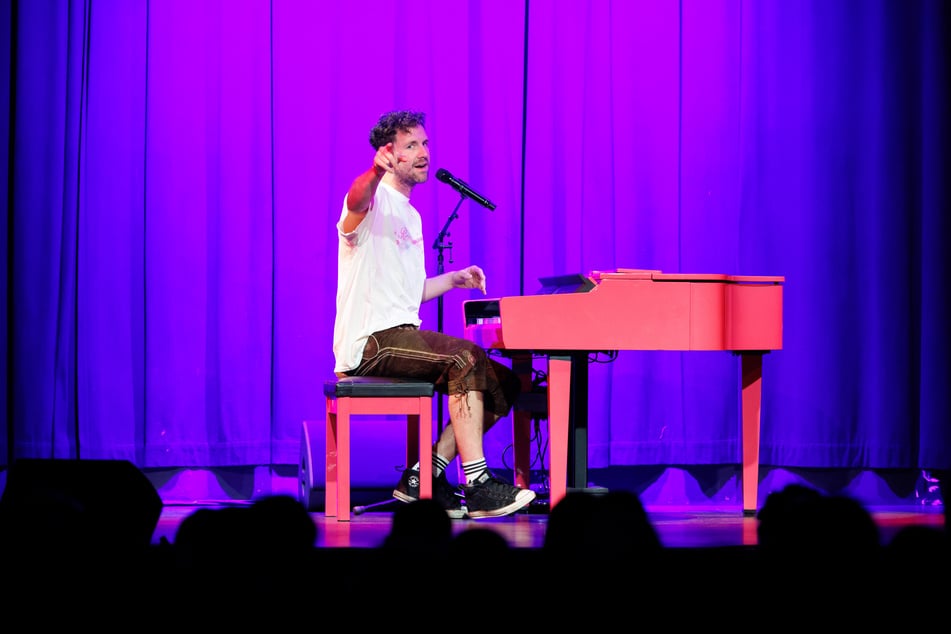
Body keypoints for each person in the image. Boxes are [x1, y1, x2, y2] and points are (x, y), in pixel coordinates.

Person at [332, 109, 535, 520]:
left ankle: (423, 475)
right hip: (371, 341)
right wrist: (373, 171)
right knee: (465, 358)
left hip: (401, 332)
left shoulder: (412, 215)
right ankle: (477, 484)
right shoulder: (373, 199)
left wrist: (455, 279)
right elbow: (355, 201)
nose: (424, 153)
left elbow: (411, 293)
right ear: (389, 154)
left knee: (504, 384)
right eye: (412, 146)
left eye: (425, 143)